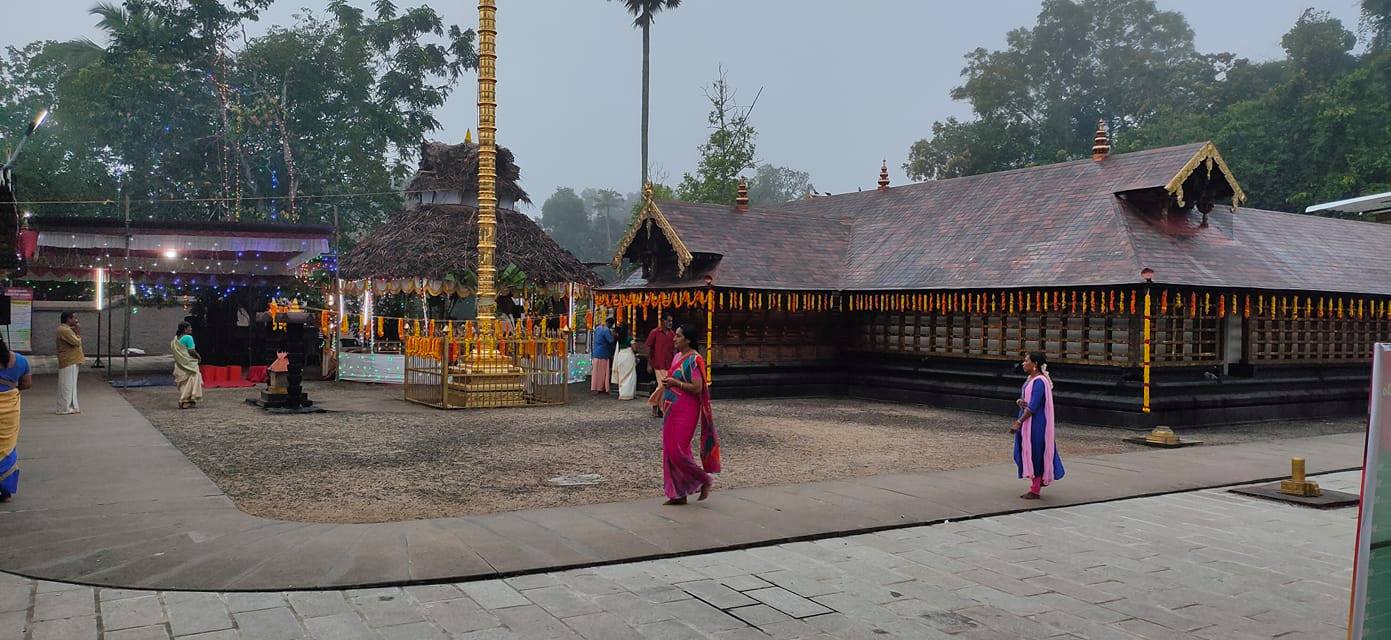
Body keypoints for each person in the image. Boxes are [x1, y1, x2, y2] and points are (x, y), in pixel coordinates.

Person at [657, 323, 720, 505]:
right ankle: (678, 493)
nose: (674, 338)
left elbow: (697, 387)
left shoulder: (694, 359)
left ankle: (704, 479)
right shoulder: (678, 356)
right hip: (671, 408)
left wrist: (676, 383)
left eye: (678, 336)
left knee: (678, 451)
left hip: (686, 410)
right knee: (669, 451)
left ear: (688, 339)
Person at [1012, 351, 1064, 500]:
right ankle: (1038, 481)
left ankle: (1035, 488)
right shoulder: (1031, 379)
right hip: (1030, 420)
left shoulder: (1040, 381)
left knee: (1036, 452)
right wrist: (1021, 402)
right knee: (1027, 450)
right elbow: (1030, 401)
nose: (1023, 363)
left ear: (1034, 364)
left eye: (1026, 360)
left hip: (1036, 423)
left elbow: (1034, 406)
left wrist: (1019, 422)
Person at [0, 338, 33, 503]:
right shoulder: (20, 361)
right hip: (9, 411)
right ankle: (6, 492)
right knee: (7, 447)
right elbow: (27, 384)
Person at [645, 314, 676, 417]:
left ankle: (657, 407)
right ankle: (657, 406)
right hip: (658, 364)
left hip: (669, 365)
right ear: (663, 321)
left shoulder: (672, 334)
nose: (670, 323)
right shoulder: (655, 333)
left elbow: (675, 350)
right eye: (668, 321)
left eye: (671, 321)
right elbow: (649, 348)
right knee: (662, 385)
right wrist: (649, 364)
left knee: (664, 386)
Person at [55, 311, 83, 415]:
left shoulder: (66, 330)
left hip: (71, 360)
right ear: (68, 319)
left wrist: (75, 331)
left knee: (71, 385)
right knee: (67, 385)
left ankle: (71, 406)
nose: (75, 320)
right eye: (73, 318)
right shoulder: (64, 330)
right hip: (68, 360)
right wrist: (78, 333)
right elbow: (77, 342)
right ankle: (64, 408)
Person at [171, 322, 204, 409]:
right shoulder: (188, 338)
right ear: (185, 329)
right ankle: (184, 400)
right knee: (192, 380)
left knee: (184, 384)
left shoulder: (175, 339)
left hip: (179, 364)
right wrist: (198, 356)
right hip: (189, 364)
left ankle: (189, 401)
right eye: (190, 328)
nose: (191, 329)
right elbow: (191, 350)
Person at [591, 316, 616, 396]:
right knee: (603, 372)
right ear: (609, 324)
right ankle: (601, 387)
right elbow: (611, 340)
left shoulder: (598, 328)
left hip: (596, 352)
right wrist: (614, 335)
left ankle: (595, 387)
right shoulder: (606, 330)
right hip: (603, 353)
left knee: (596, 371)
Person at [611, 325, 637, 400]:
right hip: (628, 357)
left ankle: (622, 393)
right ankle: (629, 394)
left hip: (620, 356)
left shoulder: (618, 339)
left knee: (622, 375)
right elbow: (634, 348)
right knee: (630, 375)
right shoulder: (630, 338)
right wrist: (636, 353)